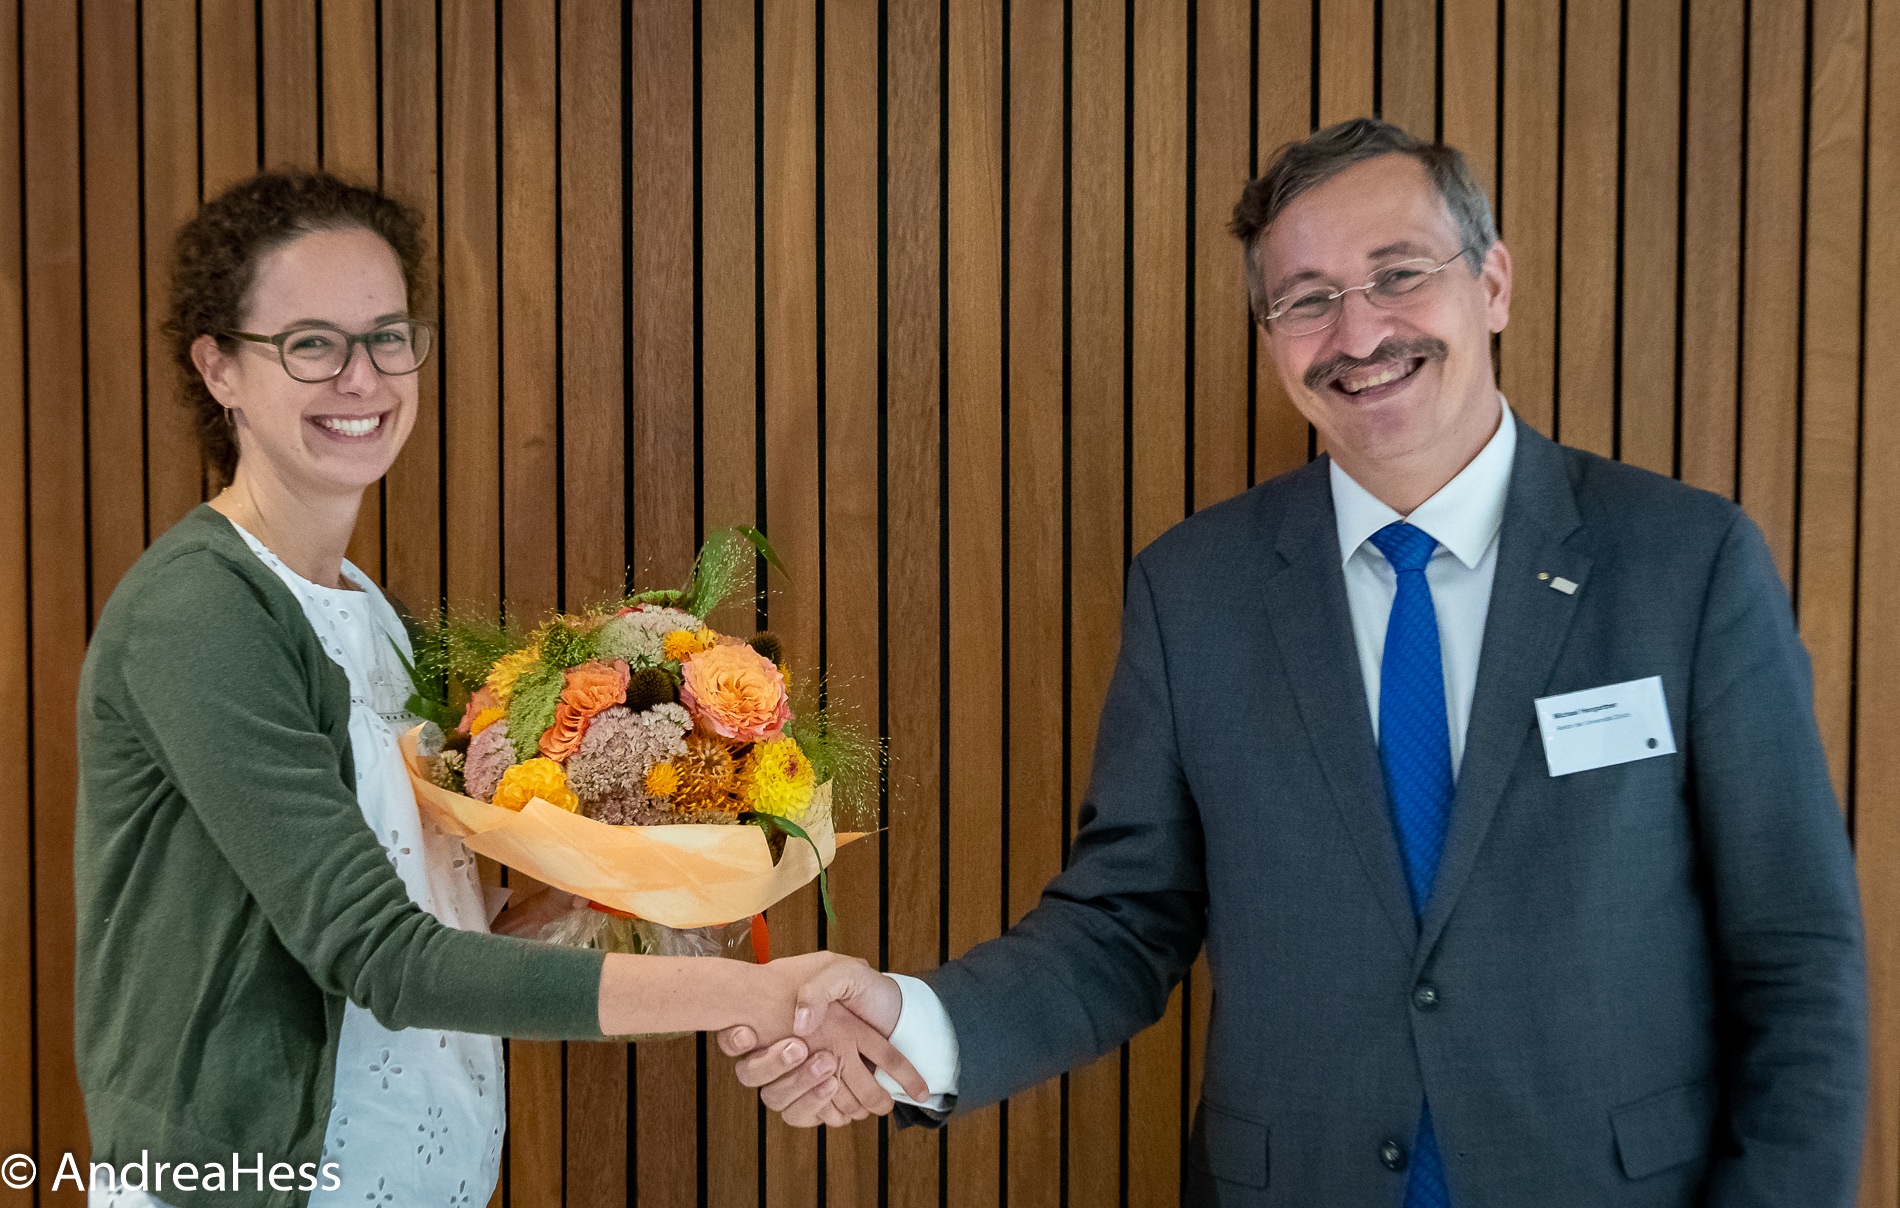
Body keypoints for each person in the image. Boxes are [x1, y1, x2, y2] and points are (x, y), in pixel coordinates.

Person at [720, 118, 1868, 1206]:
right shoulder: (1196, 591)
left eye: (1399, 273)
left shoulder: (1685, 561)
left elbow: (1795, 952)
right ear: (1271, 341)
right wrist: (915, 1020)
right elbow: (1122, 921)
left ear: (1494, 282)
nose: (1358, 333)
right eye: (1306, 301)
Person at [74, 169, 921, 1208]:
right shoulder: (200, 611)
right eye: (311, 343)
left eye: (389, 334)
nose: (363, 375)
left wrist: (603, 868)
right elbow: (384, 957)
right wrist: (750, 989)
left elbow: (449, 931)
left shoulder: (371, 615)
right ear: (220, 369)